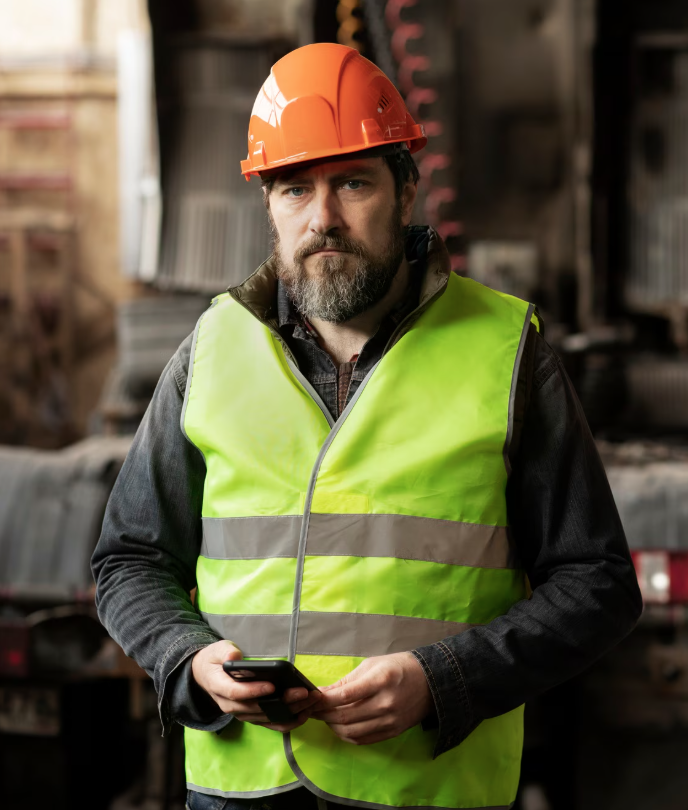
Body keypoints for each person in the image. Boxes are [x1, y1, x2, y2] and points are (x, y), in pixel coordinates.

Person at [92, 43, 642, 810]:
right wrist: (190, 659)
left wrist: (445, 680)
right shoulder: (210, 352)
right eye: (295, 188)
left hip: (427, 792)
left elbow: (598, 583)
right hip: (240, 794)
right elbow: (129, 559)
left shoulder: (507, 353)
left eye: (352, 183)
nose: (323, 218)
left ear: (405, 192)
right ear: (269, 205)